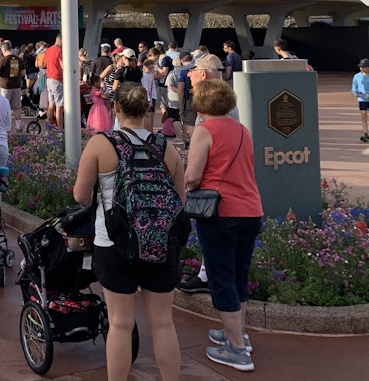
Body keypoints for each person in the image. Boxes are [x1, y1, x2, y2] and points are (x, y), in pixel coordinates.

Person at [73, 82, 186, 381]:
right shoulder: (167, 148)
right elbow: (180, 200)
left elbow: (81, 196)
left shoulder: (101, 144)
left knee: (120, 323)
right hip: (161, 244)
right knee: (163, 323)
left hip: (114, 242)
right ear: (148, 108)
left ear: (116, 108)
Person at [185, 79, 263, 372]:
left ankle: (238, 350)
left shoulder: (205, 131)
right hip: (251, 209)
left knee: (220, 277)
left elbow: (193, 176)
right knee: (239, 275)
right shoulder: (241, 129)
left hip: (220, 211)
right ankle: (237, 331)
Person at [43, 33, 64, 129]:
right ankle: (60, 129)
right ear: (60, 40)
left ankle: (49, 126)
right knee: (59, 106)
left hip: (49, 79)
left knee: (51, 104)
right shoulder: (59, 51)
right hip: (57, 79)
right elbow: (63, 66)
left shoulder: (48, 50)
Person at [351, 59, 369, 143]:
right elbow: (354, 88)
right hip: (362, 99)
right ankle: (366, 133)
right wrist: (356, 93)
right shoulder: (357, 76)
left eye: (364, 67)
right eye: (361, 67)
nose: (362, 68)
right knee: (363, 114)